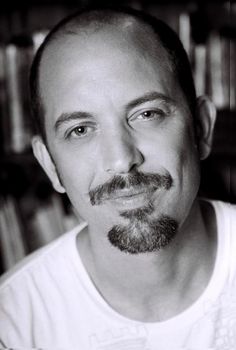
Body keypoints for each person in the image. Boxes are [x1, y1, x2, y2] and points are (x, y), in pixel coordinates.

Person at [0, 5, 235, 349]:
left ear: (201, 128)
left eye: (146, 113)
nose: (122, 160)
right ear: (49, 164)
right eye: (80, 130)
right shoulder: (13, 325)